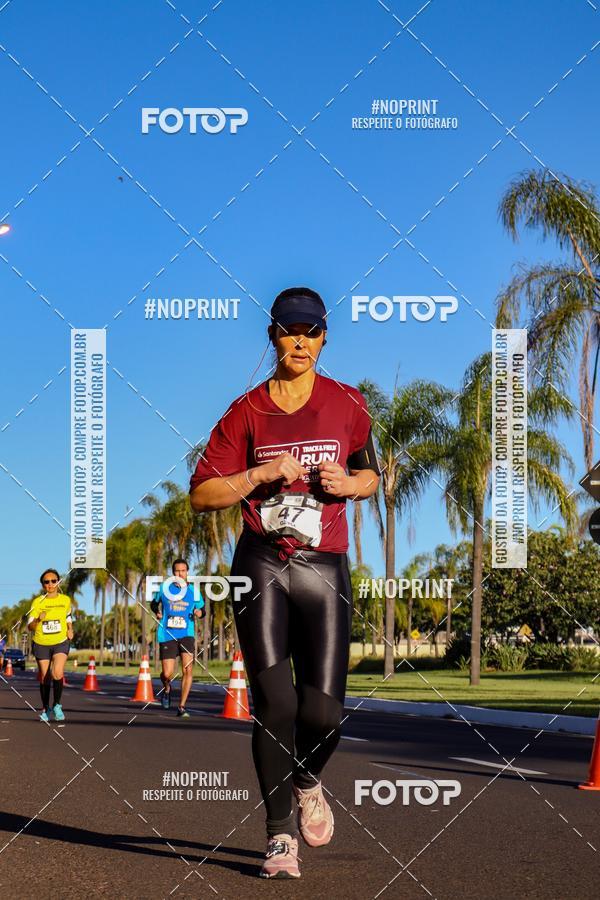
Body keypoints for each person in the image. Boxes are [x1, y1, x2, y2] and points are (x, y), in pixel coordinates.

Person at [189, 286, 381, 878]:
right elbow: (202, 494)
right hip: (262, 562)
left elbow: (371, 475)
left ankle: (307, 780)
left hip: (324, 565)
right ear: (272, 335)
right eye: (289, 329)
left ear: (325, 338)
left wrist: (348, 485)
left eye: (312, 330)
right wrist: (263, 472)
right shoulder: (245, 411)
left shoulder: (348, 403)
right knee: (276, 702)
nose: (300, 340)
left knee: (323, 712)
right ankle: (278, 838)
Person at [153, 559, 205, 718]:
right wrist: (158, 612)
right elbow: (154, 604)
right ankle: (167, 688)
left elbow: (203, 610)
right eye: (177, 571)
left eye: (183, 571)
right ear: (173, 572)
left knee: (187, 669)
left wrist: (199, 613)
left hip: (187, 633)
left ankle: (182, 706)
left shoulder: (194, 591)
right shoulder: (164, 588)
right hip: (167, 633)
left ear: (187, 572)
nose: (180, 574)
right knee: (167, 673)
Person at [27, 569, 74, 722]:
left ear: (58, 582)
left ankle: (57, 705)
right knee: (45, 677)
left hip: (60, 641)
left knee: (57, 672)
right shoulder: (37, 602)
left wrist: (70, 629)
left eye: (53, 581)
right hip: (41, 643)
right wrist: (38, 620)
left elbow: (68, 616)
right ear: (43, 585)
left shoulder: (65, 600)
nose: (50, 584)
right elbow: (30, 626)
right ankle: (46, 708)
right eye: (46, 582)